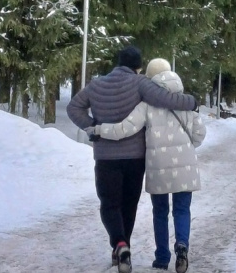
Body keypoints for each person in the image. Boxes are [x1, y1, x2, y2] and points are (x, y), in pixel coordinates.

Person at [67, 47, 198, 273]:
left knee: (109, 204)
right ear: (138, 67)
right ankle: (124, 246)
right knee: (129, 204)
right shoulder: (140, 83)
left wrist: (92, 127)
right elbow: (166, 98)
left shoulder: (96, 85)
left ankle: (120, 245)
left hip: (105, 156)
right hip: (134, 157)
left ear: (118, 63)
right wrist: (192, 102)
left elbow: (73, 107)